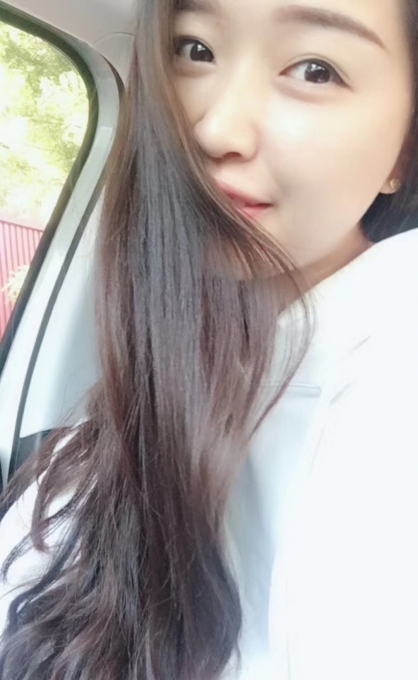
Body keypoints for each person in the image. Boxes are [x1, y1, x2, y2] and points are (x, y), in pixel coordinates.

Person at [1, 0, 418, 677]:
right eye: (194, 49)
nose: (216, 128)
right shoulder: (130, 408)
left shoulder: (393, 354)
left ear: (404, 148)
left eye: (315, 69)